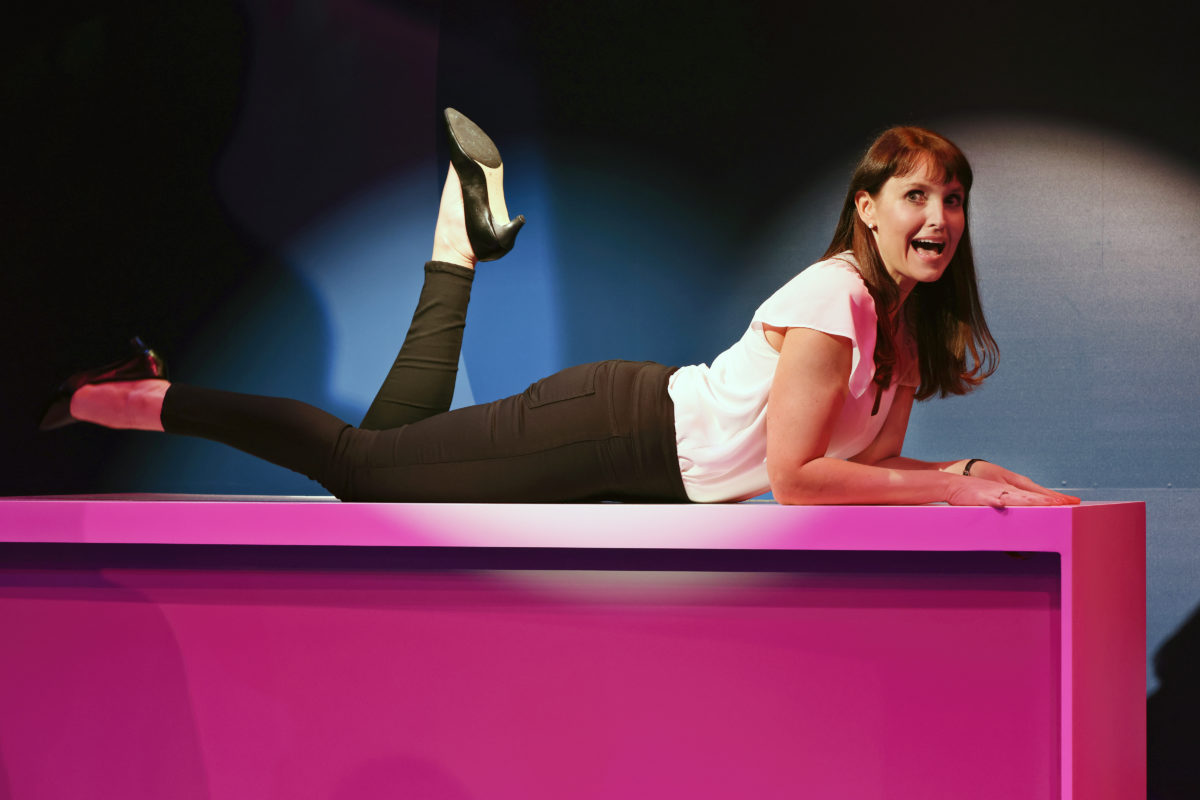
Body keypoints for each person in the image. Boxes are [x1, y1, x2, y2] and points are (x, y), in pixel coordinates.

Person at [40, 109, 1078, 507]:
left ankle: (460, 241)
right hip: (611, 430)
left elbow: (865, 464)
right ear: (865, 208)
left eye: (952, 199)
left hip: (639, 462)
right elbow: (801, 479)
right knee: (359, 470)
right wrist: (958, 495)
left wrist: (976, 473)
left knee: (387, 449)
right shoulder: (834, 297)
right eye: (916, 197)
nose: (939, 216)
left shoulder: (899, 327)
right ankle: (152, 398)